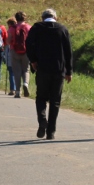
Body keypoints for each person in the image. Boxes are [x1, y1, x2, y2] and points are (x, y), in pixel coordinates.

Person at [25, 9, 73, 139]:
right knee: (55, 101)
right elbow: (68, 52)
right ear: (55, 17)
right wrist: (69, 71)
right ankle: (51, 132)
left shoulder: (37, 28)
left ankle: (42, 121)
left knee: (41, 97)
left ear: (42, 17)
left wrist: (33, 60)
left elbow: (28, 44)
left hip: (42, 68)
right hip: (59, 70)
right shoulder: (62, 29)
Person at [10, 11, 32, 98]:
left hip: (14, 50)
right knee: (26, 70)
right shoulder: (29, 27)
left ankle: (18, 91)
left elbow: (8, 40)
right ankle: (26, 83)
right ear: (24, 18)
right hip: (26, 51)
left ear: (16, 18)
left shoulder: (12, 28)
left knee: (17, 71)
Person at [4, 17, 18, 95]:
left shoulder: (9, 31)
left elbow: (7, 43)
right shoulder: (20, 30)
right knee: (18, 72)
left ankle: (13, 89)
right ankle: (18, 89)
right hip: (20, 52)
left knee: (11, 72)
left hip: (10, 52)